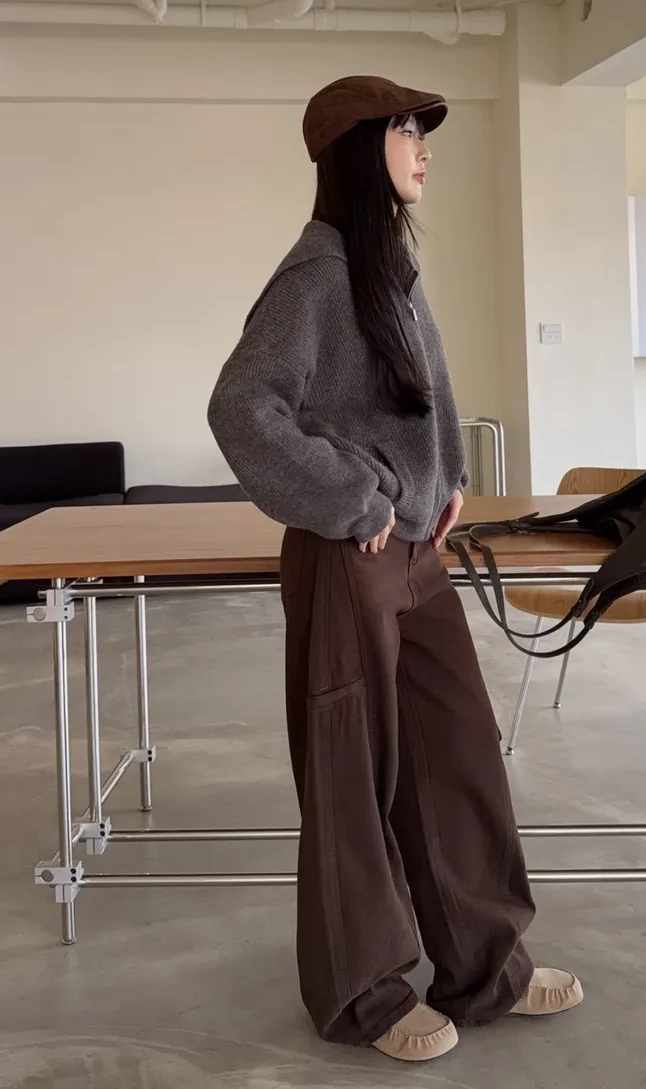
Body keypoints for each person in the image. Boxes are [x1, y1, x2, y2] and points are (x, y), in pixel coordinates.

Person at [208, 75, 583, 1063]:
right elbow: (242, 409)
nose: (424, 147)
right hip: (351, 557)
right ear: (353, 148)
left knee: (455, 756)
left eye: (423, 130)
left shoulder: (388, 270)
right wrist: (356, 498)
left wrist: (444, 480)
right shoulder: (316, 273)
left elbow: (416, 401)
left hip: (418, 555)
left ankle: (485, 967)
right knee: (352, 774)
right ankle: (365, 995)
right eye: (406, 130)